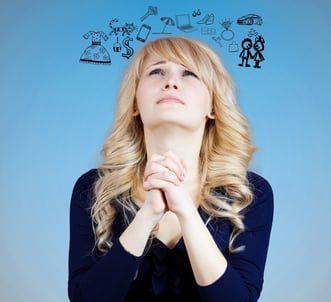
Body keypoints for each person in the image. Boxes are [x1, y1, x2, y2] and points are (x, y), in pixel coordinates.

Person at [68, 36, 273, 302]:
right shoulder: (92, 189)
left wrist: (187, 213)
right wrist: (148, 215)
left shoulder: (250, 194)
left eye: (189, 73)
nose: (171, 82)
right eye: (157, 71)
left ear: (212, 105)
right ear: (134, 103)